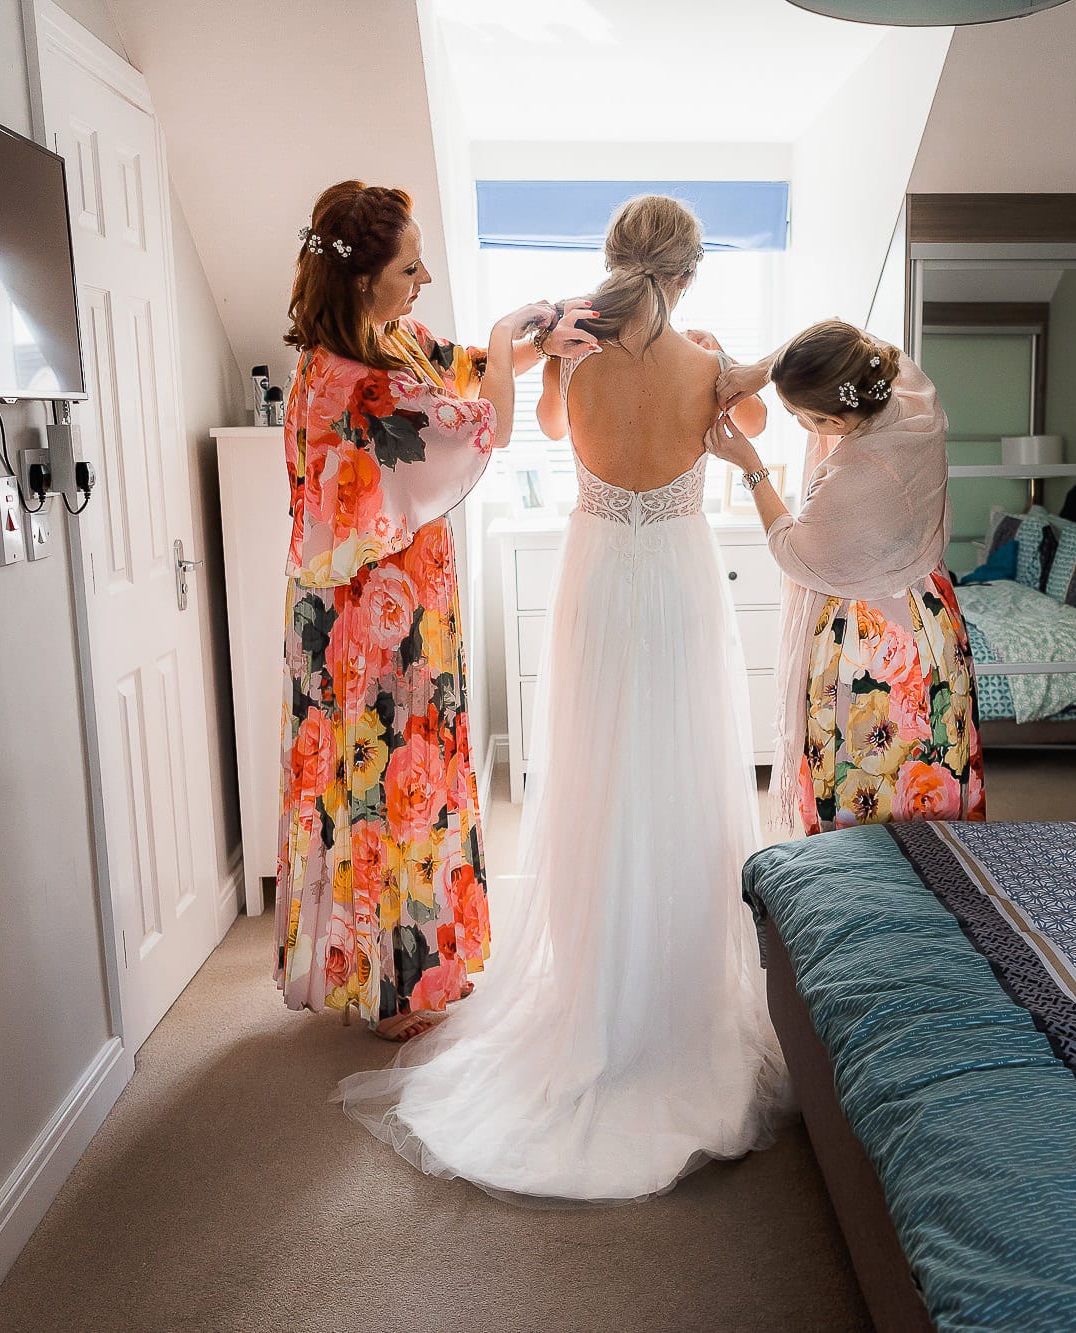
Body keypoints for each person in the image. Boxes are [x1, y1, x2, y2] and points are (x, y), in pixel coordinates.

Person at [337, 195, 788, 1203]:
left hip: (593, 579)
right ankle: (673, 1004)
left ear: (613, 262)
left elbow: (541, 429)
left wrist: (549, 351)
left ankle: (596, 999)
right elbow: (750, 422)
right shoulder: (707, 357)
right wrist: (722, 367)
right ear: (690, 272)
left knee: (595, 777)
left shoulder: (570, 358)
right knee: (678, 781)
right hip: (673, 582)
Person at [273, 179, 593, 1041]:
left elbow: (477, 370)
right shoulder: (348, 378)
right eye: (409, 267)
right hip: (366, 625)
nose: (422, 278)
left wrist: (537, 339)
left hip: (404, 606)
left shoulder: (389, 341)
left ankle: (405, 968)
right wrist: (504, 330)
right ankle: (387, 989)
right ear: (360, 277)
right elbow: (486, 419)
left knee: (406, 776)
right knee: (383, 784)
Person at [711, 319, 986, 836]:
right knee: (932, 772)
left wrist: (750, 466)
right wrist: (761, 372)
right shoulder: (909, 389)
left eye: (803, 416)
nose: (799, 424)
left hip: (874, 645)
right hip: (930, 620)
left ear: (835, 414)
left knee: (869, 783)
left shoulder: (856, 477)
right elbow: (842, 338)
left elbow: (794, 550)